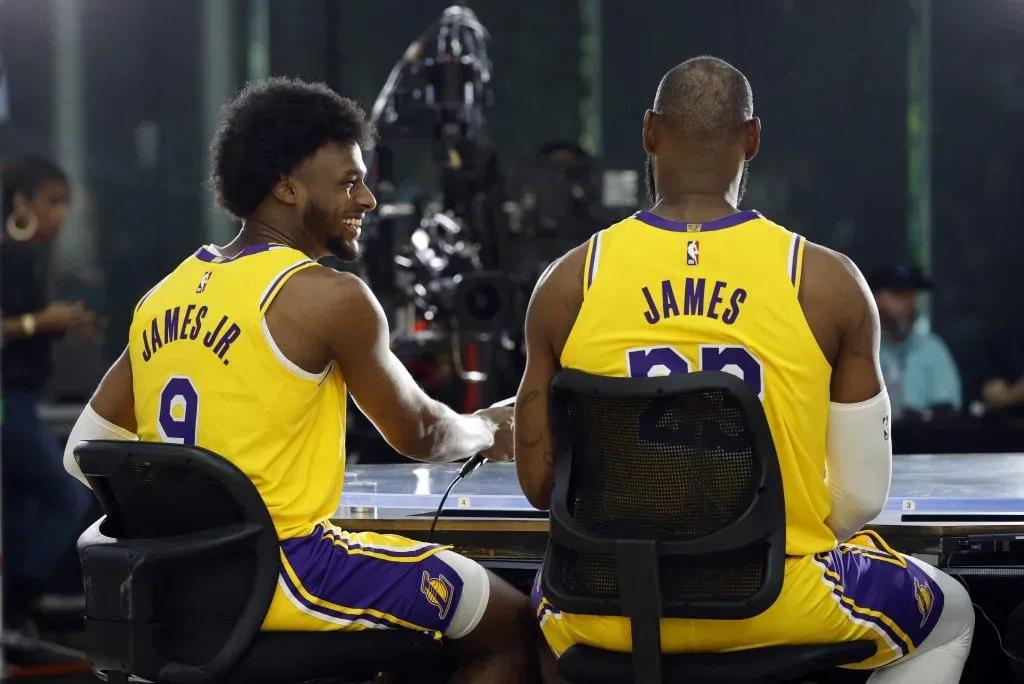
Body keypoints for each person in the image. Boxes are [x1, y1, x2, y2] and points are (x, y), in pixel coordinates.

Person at [514, 57, 974, 683]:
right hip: (774, 598)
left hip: (606, 607)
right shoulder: (824, 281)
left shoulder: (569, 283)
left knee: (536, 605)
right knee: (954, 614)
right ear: (753, 139)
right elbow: (861, 500)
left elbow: (541, 487)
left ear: (649, 133)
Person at [63, 78, 532, 683]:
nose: (368, 197)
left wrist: (180, 529)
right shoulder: (329, 298)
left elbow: (84, 453)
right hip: (292, 571)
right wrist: (490, 429)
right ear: (285, 188)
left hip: (175, 593)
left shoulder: (162, 297)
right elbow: (419, 433)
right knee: (512, 621)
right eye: (348, 182)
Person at [1, 155, 95, 622]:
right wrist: (44, 321)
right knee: (68, 496)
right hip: (7, 403)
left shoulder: (26, 259)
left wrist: (57, 325)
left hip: (19, 401)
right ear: (22, 202)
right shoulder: (8, 254)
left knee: (18, 509)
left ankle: (17, 616)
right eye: (52, 202)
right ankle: (25, 591)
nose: (60, 215)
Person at [870, 264, 962, 421]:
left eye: (912, 294)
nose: (909, 303)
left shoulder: (932, 348)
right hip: (871, 441)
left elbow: (948, 410)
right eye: (898, 293)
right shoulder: (860, 349)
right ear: (873, 298)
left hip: (925, 442)